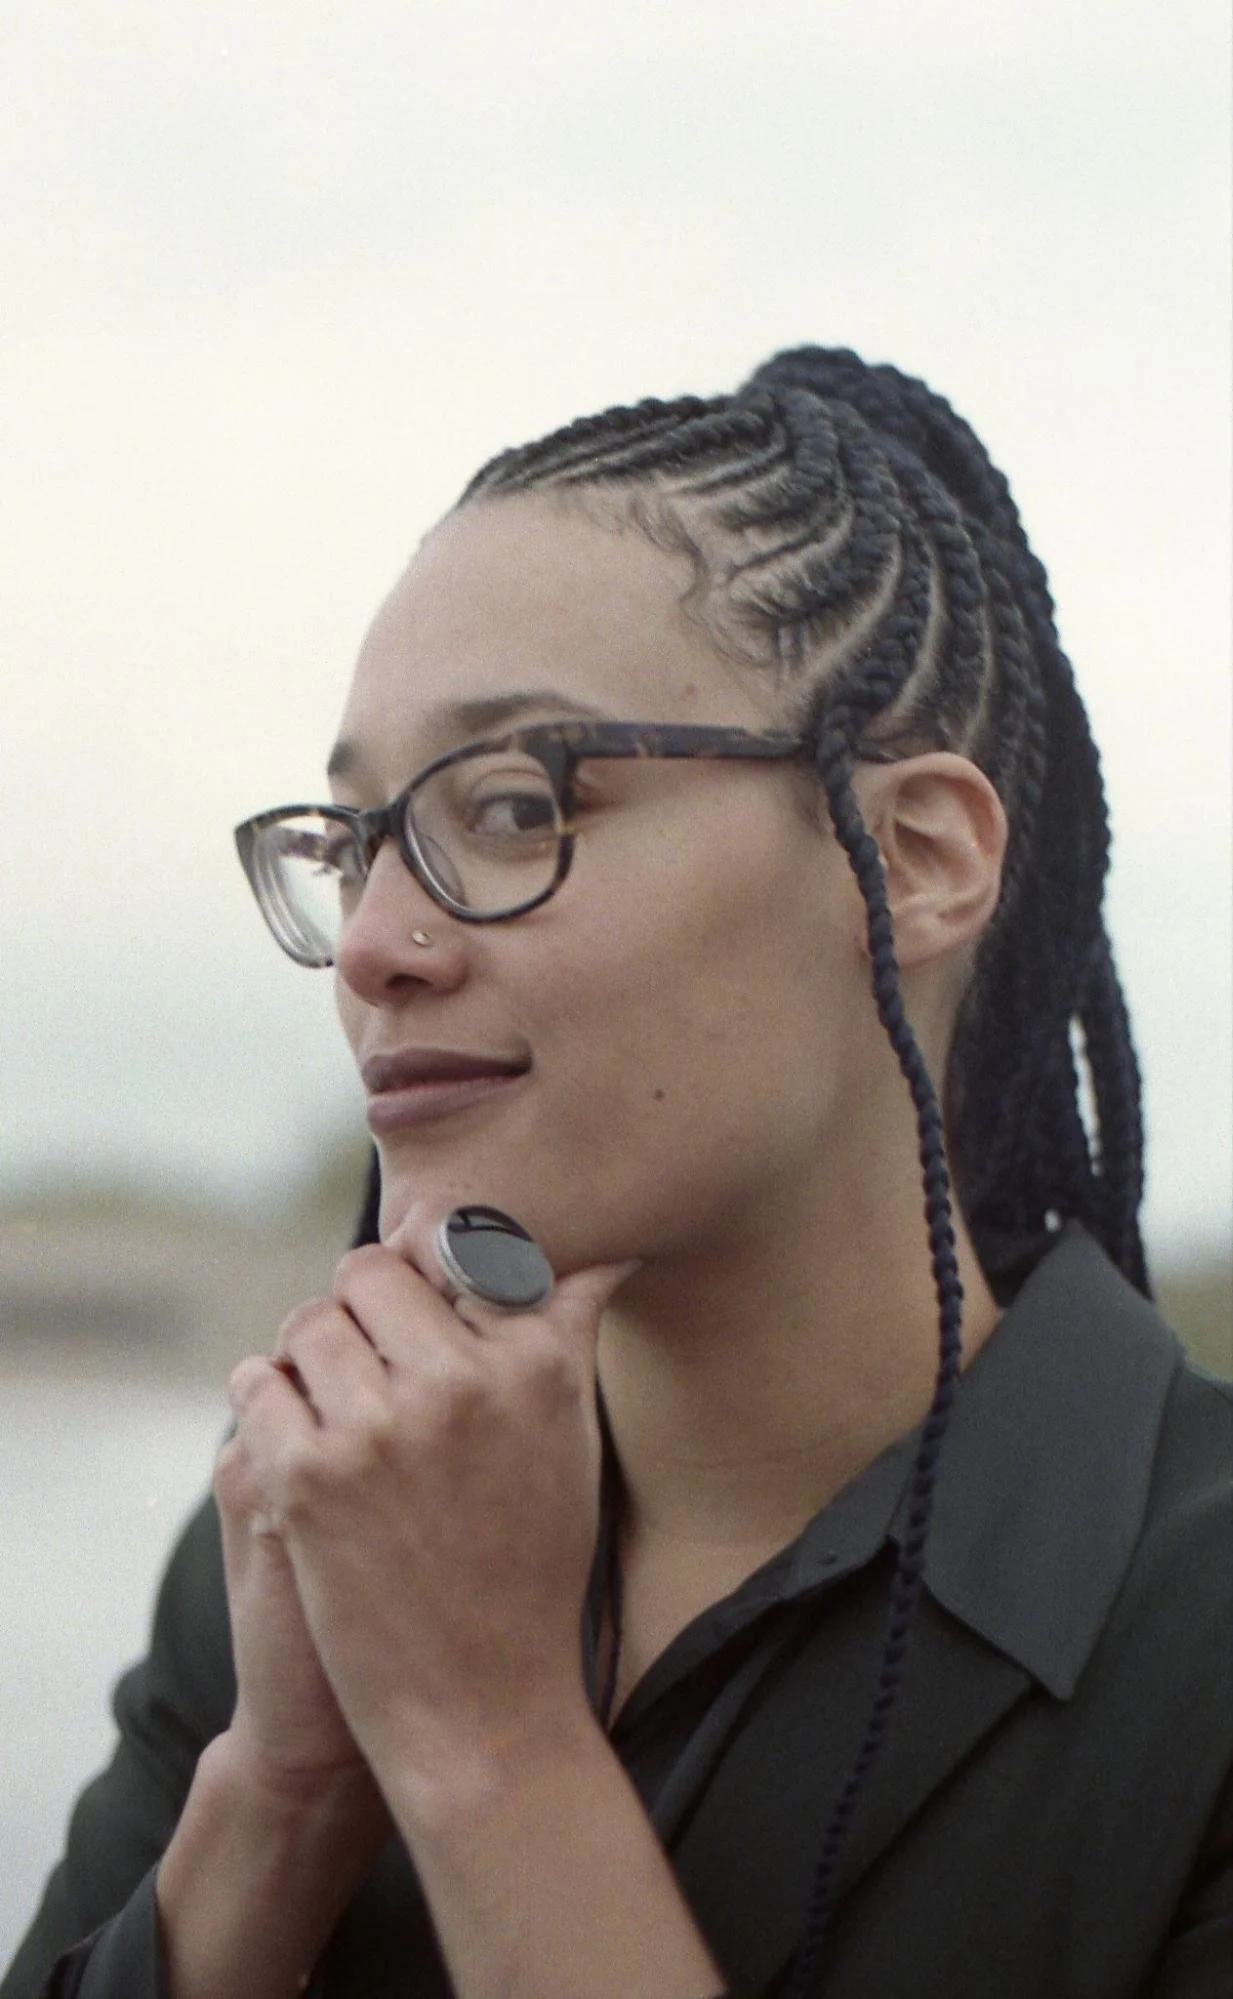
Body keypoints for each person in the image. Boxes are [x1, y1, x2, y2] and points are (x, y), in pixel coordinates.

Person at [4, 346, 1230, 1999]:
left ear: (917, 860)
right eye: (357, 841)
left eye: (513, 804)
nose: (371, 944)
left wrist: (488, 1742)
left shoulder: (1189, 1637)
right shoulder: (305, 1520)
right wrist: (280, 1802)